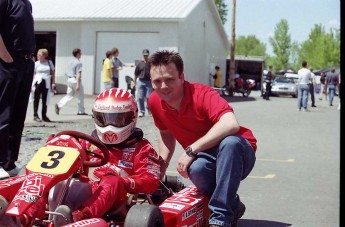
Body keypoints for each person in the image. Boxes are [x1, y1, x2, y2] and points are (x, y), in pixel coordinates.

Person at [148, 50, 257, 227]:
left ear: (182, 77)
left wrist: (192, 149)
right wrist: (162, 165)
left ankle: (220, 219)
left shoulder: (203, 94)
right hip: (205, 155)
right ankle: (233, 205)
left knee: (230, 143)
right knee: (196, 169)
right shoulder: (154, 101)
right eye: (157, 81)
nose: (163, 86)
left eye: (169, 79)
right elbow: (166, 134)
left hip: (238, 152)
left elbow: (231, 124)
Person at [21, 88, 161, 226]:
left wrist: (126, 182)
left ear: (133, 117)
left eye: (118, 119)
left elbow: (151, 181)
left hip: (116, 201)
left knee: (112, 180)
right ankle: (26, 215)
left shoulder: (142, 148)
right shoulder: (87, 143)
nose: (109, 125)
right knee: (49, 173)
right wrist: (57, 144)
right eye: (103, 118)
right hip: (79, 192)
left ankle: (78, 218)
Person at [0, 0, 35, 179]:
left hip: (26, 62)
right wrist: (5, 56)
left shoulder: (26, 3)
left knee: (18, 116)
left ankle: (9, 163)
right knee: (3, 116)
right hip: (8, 63)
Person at [55, 48, 87, 115]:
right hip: (75, 80)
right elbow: (78, 73)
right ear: (77, 54)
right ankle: (81, 111)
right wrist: (78, 84)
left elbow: (67, 72)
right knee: (80, 95)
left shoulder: (70, 62)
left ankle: (59, 105)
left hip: (69, 79)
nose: (81, 54)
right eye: (80, 53)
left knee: (69, 95)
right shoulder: (79, 63)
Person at [32, 49, 56, 122]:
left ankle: (44, 115)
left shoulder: (49, 62)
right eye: (38, 55)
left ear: (44, 55)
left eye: (40, 55)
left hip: (46, 82)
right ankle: (35, 115)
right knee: (36, 98)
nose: (38, 56)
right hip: (38, 81)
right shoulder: (36, 63)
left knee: (45, 99)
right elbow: (33, 73)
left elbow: (53, 73)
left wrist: (53, 82)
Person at [134, 49, 152, 117]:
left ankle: (149, 109)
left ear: (148, 55)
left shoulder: (150, 63)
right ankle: (142, 111)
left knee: (149, 97)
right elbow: (136, 73)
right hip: (141, 81)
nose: (145, 56)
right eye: (144, 55)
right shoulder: (140, 63)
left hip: (149, 82)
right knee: (140, 97)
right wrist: (135, 82)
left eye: (146, 55)